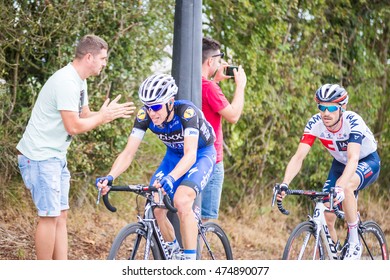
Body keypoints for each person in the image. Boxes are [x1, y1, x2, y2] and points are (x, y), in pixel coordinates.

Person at [16, 34, 136, 260]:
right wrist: (102, 118)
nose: (104, 64)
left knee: (60, 215)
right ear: (89, 57)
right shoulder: (66, 81)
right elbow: (73, 126)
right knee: (49, 216)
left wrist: (103, 115)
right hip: (40, 158)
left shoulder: (79, 81)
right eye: (102, 59)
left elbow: (84, 115)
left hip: (55, 157)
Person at [96, 74, 216, 260]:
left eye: (156, 107)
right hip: (173, 157)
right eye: (148, 107)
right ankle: (174, 253)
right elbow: (128, 153)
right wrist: (110, 176)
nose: (152, 113)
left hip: (201, 154)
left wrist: (171, 178)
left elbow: (190, 154)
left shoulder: (186, 112)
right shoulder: (145, 116)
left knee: (182, 201)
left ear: (170, 102)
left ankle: (191, 263)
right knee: (156, 204)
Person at [277, 83, 380, 260]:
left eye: (331, 108)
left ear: (342, 108)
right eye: (322, 108)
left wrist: (340, 186)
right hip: (340, 164)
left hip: (366, 160)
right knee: (326, 216)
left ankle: (355, 242)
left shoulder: (353, 121)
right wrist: (285, 183)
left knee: (346, 187)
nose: (326, 113)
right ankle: (335, 259)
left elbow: (353, 158)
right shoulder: (315, 123)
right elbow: (298, 157)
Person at [201, 37, 247, 221]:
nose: (221, 64)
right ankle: (194, 251)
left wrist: (216, 79)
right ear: (210, 61)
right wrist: (240, 86)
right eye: (219, 61)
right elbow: (233, 116)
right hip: (212, 158)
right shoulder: (209, 88)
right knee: (205, 220)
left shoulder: (191, 82)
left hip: (190, 155)